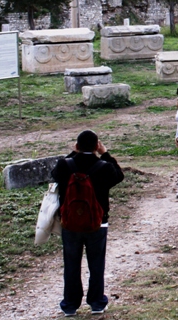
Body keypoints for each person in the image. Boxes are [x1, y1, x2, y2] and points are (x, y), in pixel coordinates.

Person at [51, 130, 124, 317]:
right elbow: (119, 175)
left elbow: (54, 174)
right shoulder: (104, 166)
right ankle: (97, 303)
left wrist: (73, 154)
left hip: (70, 223)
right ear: (96, 146)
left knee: (71, 264)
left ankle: (70, 305)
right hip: (97, 222)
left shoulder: (65, 165)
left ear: (76, 146)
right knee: (96, 264)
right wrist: (105, 153)